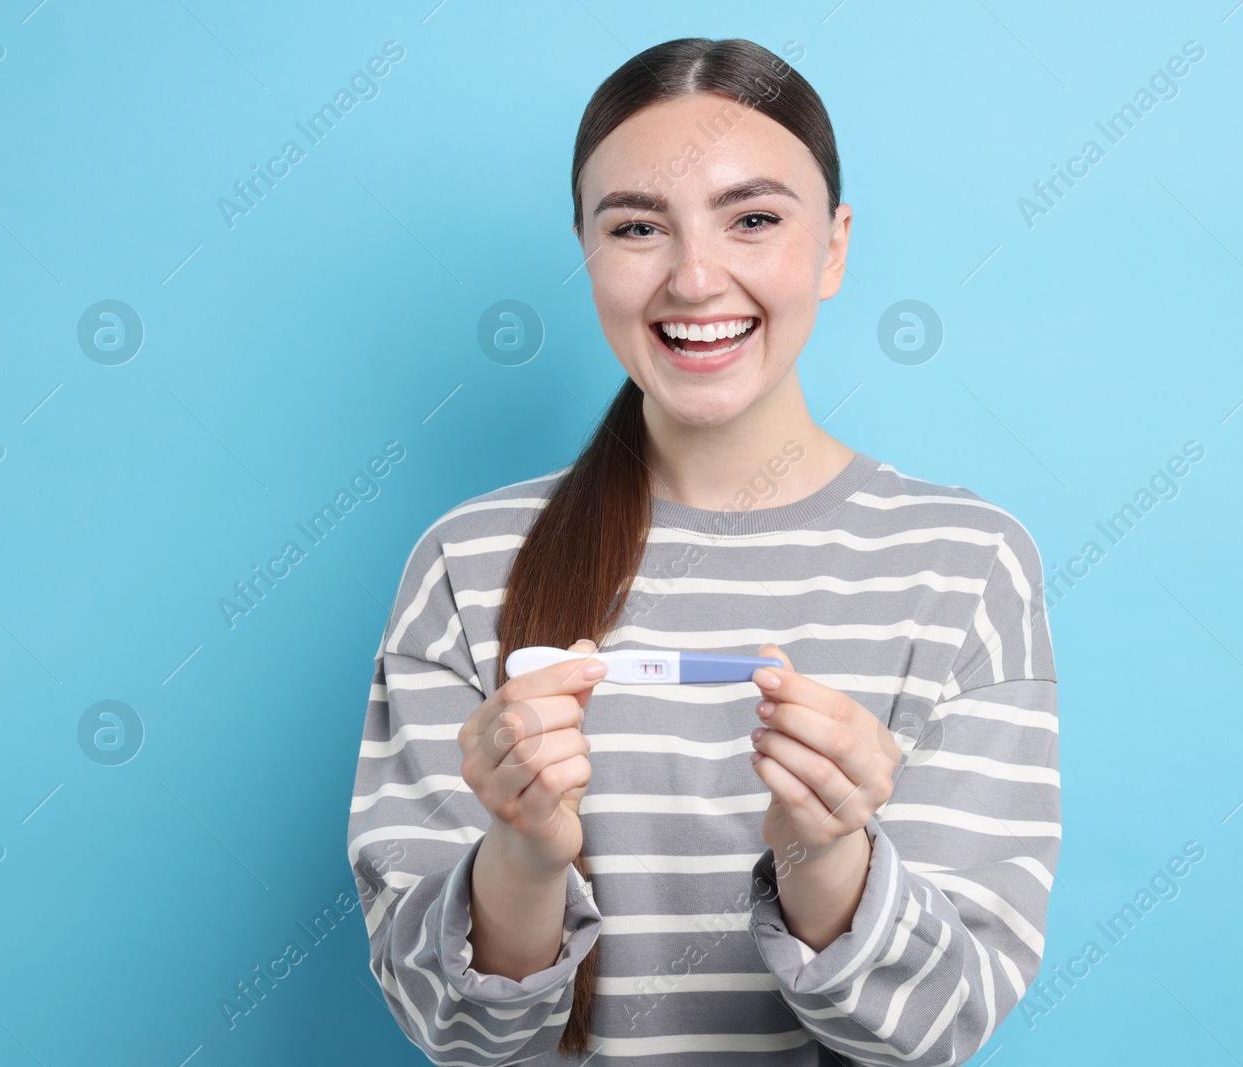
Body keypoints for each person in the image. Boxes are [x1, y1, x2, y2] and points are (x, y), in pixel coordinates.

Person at [347, 36, 1059, 1065]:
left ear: (834, 246)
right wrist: (522, 857)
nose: (692, 277)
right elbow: (460, 1036)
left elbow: (933, 1030)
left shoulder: (967, 565)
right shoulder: (467, 565)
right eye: (637, 226)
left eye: (755, 219)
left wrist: (826, 857)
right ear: (587, 252)